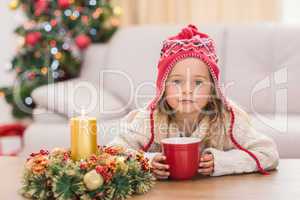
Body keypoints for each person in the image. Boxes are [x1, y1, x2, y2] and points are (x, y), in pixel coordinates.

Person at [109, 24, 279, 179]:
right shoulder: (150, 119)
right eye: (176, 81)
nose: (187, 90)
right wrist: (146, 163)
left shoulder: (227, 118)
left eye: (198, 82)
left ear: (212, 88)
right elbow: (114, 152)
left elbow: (268, 153)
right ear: (163, 87)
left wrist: (223, 162)